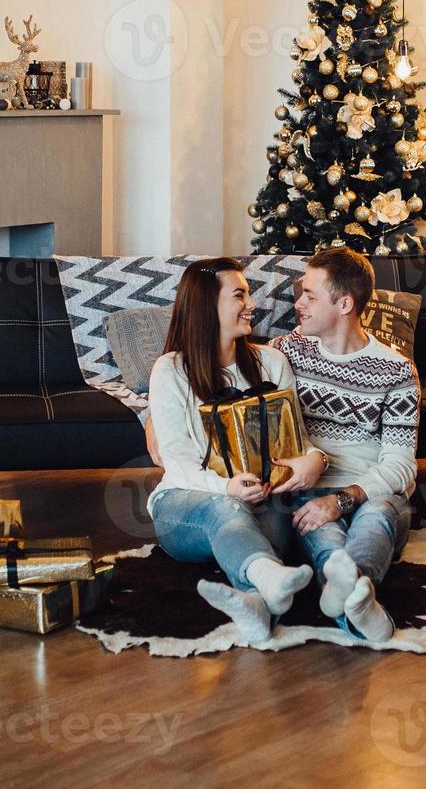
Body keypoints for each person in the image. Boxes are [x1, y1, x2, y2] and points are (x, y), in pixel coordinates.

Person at [146, 257, 331, 643]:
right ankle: (270, 576)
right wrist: (228, 489)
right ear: (206, 306)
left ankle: (256, 598)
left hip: (265, 503)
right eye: (240, 295)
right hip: (186, 506)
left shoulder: (272, 363)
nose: (252, 304)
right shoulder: (170, 371)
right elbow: (178, 465)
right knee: (225, 509)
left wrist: (314, 460)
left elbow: (299, 441)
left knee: (260, 522)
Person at [268, 247, 419, 643]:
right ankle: (358, 606)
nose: (298, 304)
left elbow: (401, 466)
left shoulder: (396, 369)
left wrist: (343, 499)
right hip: (309, 489)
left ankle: (351, 591)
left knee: (378, 517)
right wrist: (151, 415)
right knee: (326, 537)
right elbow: (222, 368)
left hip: (373, 490)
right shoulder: (286, 352)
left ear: (345, 303)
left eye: (310, 296)